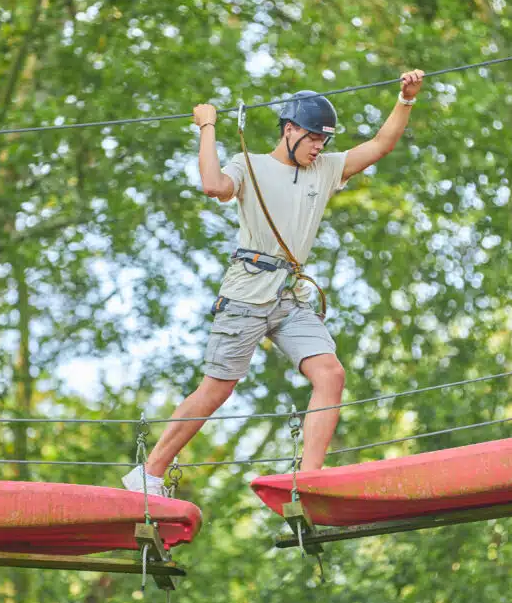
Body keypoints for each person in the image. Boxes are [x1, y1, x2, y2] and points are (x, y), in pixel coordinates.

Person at [122, 70, 425, 496]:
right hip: (247, 292)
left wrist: (405, 99)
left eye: (324, 141)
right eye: (313, 138)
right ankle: (149, 473)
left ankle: (310, 478)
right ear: (289, 130)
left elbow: (380, 145)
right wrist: (207, 126)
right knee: (217, 388)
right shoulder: (250, 164)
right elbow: (213, 185)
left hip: (290, 296)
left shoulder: (325, 169)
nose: (319, 147)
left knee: (330, 374)